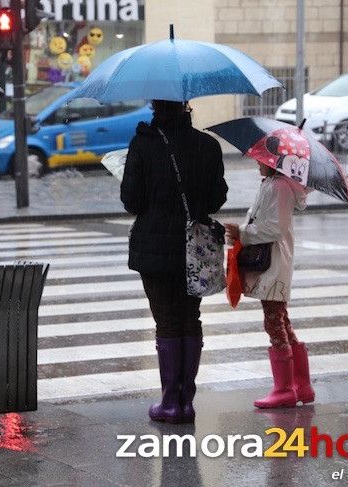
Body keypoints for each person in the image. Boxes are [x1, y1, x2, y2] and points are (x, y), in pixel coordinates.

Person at [121, 100, 228, 423]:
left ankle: (170, 402)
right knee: (190, 318)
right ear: (187, 105)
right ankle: (186, 401)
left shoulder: (143, 143)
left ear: (155, 105)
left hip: (154, 247)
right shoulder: (207, 145)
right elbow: (216, 198)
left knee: (166, 321)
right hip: (194, 247)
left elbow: (131, 201)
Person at [225, 162, 315, 409]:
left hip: (274, 262)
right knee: (281, 319)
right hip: (277, 260)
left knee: (274, 321)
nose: (257, 162)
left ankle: (285, 389)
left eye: (261, 160)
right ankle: (302, 385)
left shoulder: (279, 186)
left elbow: (274, 228)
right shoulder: (275, 184)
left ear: (274, 162)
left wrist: (242, 232)